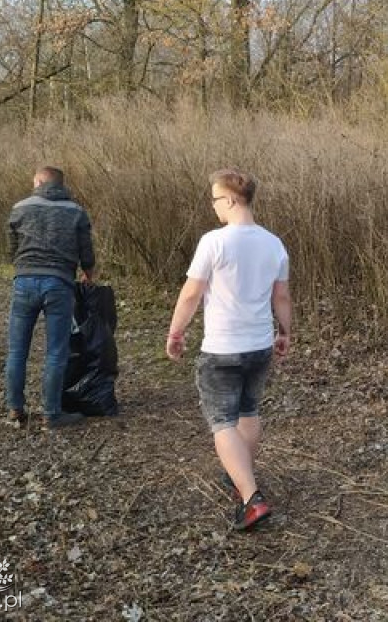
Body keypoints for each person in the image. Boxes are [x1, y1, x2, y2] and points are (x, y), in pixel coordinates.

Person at [166, 168, 291, 532]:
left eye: (216, 200)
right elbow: (281, 296)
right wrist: (284, 332)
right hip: (258, 345)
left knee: (222, 422)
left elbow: (191, 293)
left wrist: (176, 333)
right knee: (248, 413)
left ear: (232, 200)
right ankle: (240, 478)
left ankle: (251, 498)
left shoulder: (214, 242)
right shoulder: (274, 243)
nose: (214, 207)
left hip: (222, 348)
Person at [5, 166, 96, 430]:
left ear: (38, 181)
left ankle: (15, 409)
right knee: (56, 352)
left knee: (17, 350)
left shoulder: (19, 207)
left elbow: (11, 246)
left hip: (25, 280)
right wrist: (88, 271)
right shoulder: (76, 211)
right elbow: (85, 249)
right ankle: (51, 414)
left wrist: (22, 264)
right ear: (61, 184)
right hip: (60, 283)